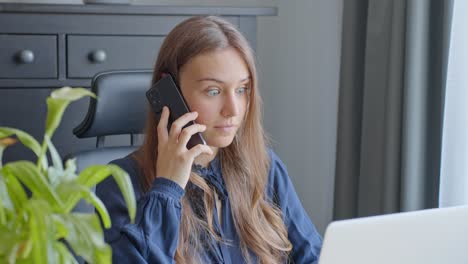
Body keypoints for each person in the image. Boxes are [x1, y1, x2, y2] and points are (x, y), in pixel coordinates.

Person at [96, 16, 322, 264]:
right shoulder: (121, 183)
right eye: (213, 91)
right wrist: (167, 189)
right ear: (170, 92)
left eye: (242, 89)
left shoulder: (266, 168)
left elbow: (314, 256)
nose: (233, 110)